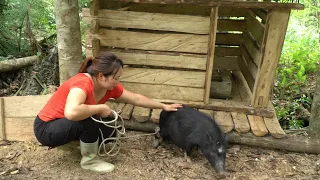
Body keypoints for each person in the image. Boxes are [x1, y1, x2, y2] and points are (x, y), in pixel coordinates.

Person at [33, 52, 182, 173]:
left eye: (119, 78)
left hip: (65, 125)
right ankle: (89, 161)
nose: (117, 82)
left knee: (110, 132)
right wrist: (100, 108)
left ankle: (74, 144)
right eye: (115, 78)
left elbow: (135, 98)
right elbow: (72, 112)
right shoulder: (82, 83)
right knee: (88, 120)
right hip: (46, 129)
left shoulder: (109, 87)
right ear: (101, 76)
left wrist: (163, 106)